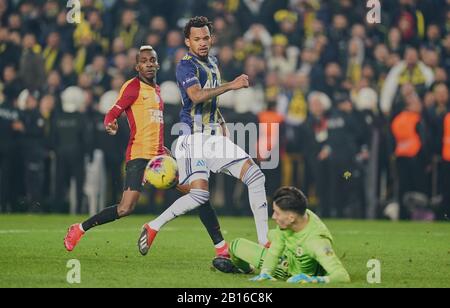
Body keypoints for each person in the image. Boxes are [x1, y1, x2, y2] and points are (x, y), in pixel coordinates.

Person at [64, 46, 227, 257]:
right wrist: (110, 123)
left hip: (159, 158)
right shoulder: (132, 87)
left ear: (157, 64)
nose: (149, 64)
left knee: (199, 194)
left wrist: (163, 148)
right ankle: (79, 229)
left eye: (152, 60)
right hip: (139, 156)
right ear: (137, 66)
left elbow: (153, 124)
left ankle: (221, 248)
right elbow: (113, 112)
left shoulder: (157, 90)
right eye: (144, 61)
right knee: (125, 208)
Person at [138, 16, 269, 257]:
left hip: (214, 138)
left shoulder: (213, 62)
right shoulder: (185, 65)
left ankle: (265, 243)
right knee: (200, 195)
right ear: (188, 41)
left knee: (256, 176)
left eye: (206, 38)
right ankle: (153, 225)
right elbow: (197, 96)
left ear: (212, 38)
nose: (202, 43)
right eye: (196, 39)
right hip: (192, 139)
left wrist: (220, 121)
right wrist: (231, 85)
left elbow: (211, 101)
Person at [214, 187, 351, 284]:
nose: (273, 217)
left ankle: (252, 265)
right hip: (283, 255)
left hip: (287, 270)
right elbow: (275, 251)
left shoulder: (317, 242)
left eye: (277, 213)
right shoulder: (297, 215)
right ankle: (245, 269)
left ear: (291, 218)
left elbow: (342, 276)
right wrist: (266, 273)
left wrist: (314, 279)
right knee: (237, 245)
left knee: (270, 236)